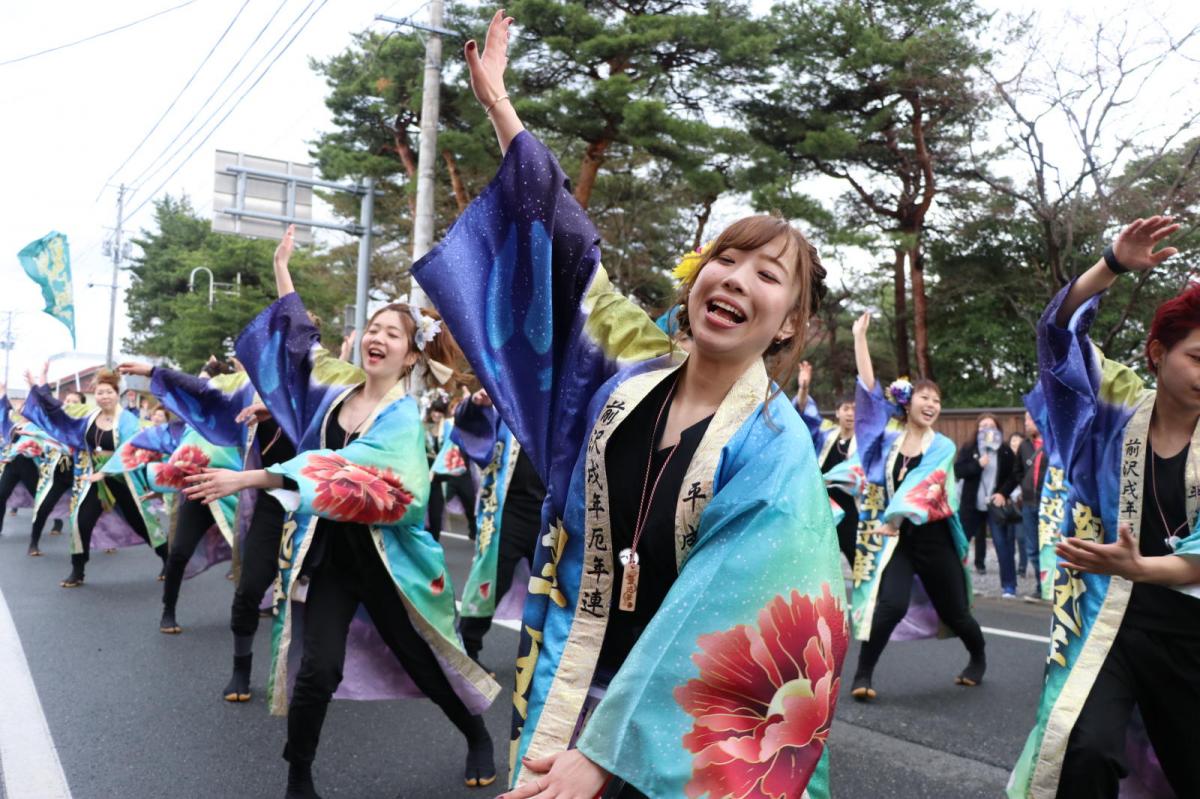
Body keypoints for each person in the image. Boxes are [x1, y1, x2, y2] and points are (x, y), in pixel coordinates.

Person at [411, 12, 847, 798]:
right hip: (568, 678)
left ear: (788, 324)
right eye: (727, 258)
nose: (737, 279)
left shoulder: (775, 450)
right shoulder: (628, 377)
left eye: (768, 275)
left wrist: (609, 753)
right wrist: (500, 108)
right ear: (697, 279)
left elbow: (730, 614)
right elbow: (569, 258)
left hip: (685, 730)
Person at [183, 225, 498, 797]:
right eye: (373, 329)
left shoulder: (402, 420)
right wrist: (283, 272)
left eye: (392, 335)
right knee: (317, 670)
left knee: (424, 661)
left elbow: (360, 480)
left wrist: (252, 476)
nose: (377, 338)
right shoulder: (336, 391)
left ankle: (476, 734)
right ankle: (298, 777)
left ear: (409, 356)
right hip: (331, 558)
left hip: (390, 565)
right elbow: (298, 343)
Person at [1009, 216, 1200, 799]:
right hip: (1105, 619)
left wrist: (1138, 566)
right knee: (1081, 748)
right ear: (1156, 353)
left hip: (1189, 630)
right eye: (1197, 357)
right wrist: (1110, 266)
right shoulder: (1114, 402)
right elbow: (1058, 336)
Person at [122, 361, 296, 704]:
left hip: (315, 501)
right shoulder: (238, 394)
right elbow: (201, 392)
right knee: (223, 575)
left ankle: (325, 669)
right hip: (245, 496)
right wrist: (156, 371)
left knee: (320, 594)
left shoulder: (318, 391)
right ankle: (239, 668)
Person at [844, 312, 986, 701]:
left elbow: (928, 484)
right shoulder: (888, 441)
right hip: (900, 540)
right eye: (925, 397)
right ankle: (863, 675)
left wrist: (894, 516)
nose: (932, 404)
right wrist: (860, 339)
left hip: (935, 538)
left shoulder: (942, 446)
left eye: (937, 400)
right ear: (908, 403)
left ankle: (978, 655)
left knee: (956, 612)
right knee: (888, 605)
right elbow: (870, 395)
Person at [22, 366, 167, 587]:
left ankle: (168, 560)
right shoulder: (90, 417)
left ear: (116, 393)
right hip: (91, 477)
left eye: (108, 391)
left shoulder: (127, 419)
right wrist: (37, 388)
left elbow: (129, 448)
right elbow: (59, 415)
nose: (104, 396)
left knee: (141, 522)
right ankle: (77, 570)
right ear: (95, 396)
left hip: (121, 476)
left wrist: (106, 471)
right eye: (100, 392)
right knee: (80, 521)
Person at [454, 388, 547, 673]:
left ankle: (544, 661)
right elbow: (471, 432)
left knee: (553, 591)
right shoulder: (507, 401)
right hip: (507, 511)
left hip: (549, 515)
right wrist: (476, 405)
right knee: (493, 581)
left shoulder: (563, 405)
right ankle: (467, 647)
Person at [795, 363, 859, 565]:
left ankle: (865, 598)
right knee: (818, 564)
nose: (850, 413)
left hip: (853, 511)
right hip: (824, 509)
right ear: (837, 412)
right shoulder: (824, 436)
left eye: (855, 410)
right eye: (846, 408)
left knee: (858, 561)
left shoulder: (865, 443)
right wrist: (804, 388)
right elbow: (805, 417)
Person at [956, 413, 1020, 579]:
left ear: (998, 429)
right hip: (971, 505)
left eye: (991, 426)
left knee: (1002, 544)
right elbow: (958, 470)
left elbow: (1015, 475)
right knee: (961, 544)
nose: (986, 429)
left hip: (995, 505)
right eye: (983, 426)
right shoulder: (969, 448)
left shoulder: (1005, 451)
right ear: (977, 429)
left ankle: (1009, 587)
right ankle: (956, 583)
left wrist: (1003, 493)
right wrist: (977, 465)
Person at [1015, 413, 1047, 588]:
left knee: (1050, 547)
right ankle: (1040, 585)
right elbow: (1017, 472)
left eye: (1030, 418)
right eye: (1025, 419)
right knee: (1032, 549)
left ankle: (1051, 587)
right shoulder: (1024, 446)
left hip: (1050, 506)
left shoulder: (1055, 444)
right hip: (1029, 504)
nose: (1026, 423)